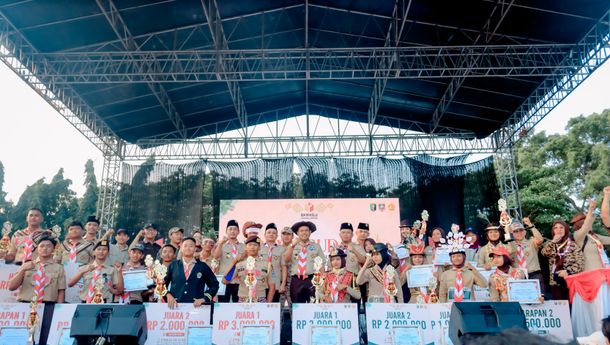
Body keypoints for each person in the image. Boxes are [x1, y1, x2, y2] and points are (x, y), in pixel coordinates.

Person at [9, 236, 66, 303]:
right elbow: (11, 287)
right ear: (37, 249)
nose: (45, 248)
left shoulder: (59, 268)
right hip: (26, 304)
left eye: (49, 246)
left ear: (53, 249)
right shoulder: (26, 265)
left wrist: (59, 310)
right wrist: (23, 270)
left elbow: (61, 291)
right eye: (42, 246)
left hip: (48, 305)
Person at [165, 237, 219, 309]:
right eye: (185, 245)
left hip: (196, 309)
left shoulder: (202, 266)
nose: (188, 248)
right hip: (175, 308)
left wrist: (204, 298)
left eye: (191, 246)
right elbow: (161, 284)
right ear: (181, 247)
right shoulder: (173, 265)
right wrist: (168, 295)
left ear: (195, 248)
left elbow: (214, 285)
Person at [438, 230, 486, 302]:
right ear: (450, 259)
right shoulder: (445, 274)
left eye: (459, 256)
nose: (456, 258)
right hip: (451, 308)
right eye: (453, 257)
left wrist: (473, 269)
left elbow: (484, 284)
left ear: (464, 257)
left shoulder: (471, 272)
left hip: (469, 308)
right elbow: (442, 295)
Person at [540, 220, 584, 300]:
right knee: (560, 308)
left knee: (571, 308)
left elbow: (580, 263)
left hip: (570, 281)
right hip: (555, 282)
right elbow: (544, 253)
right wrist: (553, 241)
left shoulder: (573, 244)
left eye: (561, 228)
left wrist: (568, 271)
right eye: (555, 228)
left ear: (566, 230)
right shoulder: (551, 244)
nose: (558, 230)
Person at [284, 221, 326, 303]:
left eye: (306, 230)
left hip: (312, 279)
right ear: (297, 233)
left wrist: (323, 282)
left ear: (310, 232)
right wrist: (292, 246)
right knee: (297, 305)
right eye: (301, 231)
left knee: (314, 304)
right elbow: (286, 259)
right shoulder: (292, 246)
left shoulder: (316, 246)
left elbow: (321, 265)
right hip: (296, 280)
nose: (304, 233)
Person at [223, 236, 269, 303]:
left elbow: (271, 285)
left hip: (260, 299)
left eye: (255, 245)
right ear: (245, 247)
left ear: (259, 248)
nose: (252, 247)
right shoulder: (240, 265)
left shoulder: (266, 264)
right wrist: (234, 263)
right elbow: (225, 281)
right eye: (250, 245)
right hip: (243, 299)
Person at [507, 219, 544, 288]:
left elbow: (540, 239)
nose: (519, 233)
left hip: (534, 275)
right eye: (516, 231)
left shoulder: (531, 242)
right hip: (518, 276)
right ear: (512, 233)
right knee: (520, 298)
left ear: (525, 232)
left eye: (521, 230)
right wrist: (506, 230)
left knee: (539, 298)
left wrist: (530, 225)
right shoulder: (509, 245)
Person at [574, 200, 610, 271]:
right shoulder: (578, 235)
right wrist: (590, 210)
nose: (591, 223)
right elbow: (586, 227)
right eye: (590, 221)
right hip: (591, 275)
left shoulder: (594, 236)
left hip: (604, 272)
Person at [214, 220, 244, 302]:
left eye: (235, 229)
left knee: (237, 305)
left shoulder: (243, 246)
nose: (232, 231)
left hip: (239, 280)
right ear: (226, 231)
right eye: (230, 229)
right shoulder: (222, 245)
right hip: (225, 279)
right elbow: (216, 257)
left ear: (238, 232)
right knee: (223, 304)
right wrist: (220, 243)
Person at [337, 222, 366, 293]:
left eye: (348, 232)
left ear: (352, 234)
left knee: (355, 302)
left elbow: (364, 261)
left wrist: (354, 250)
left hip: (354, 280)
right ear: (340, 234)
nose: (345, 235)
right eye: (343, 232)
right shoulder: (335, 249)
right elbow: (330, 267)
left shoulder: (358, 247)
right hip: (339, 280)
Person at [262, 223, 286, 302]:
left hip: (275, 281)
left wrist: (283, 284)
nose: (271, 234)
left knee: (274, 305)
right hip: (261, 281)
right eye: (269, 232)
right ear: (264, 235)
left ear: (276, 236)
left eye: (274, 233)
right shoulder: (258, 248)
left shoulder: (281, 249)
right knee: (261, 305)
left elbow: (283, 267)